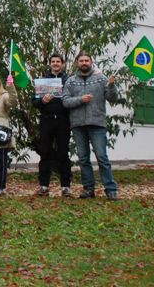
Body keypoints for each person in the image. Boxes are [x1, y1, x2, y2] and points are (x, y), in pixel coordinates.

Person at [62, 51, 120, 200]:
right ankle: (88, 189)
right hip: (78, 124)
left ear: (91, 62)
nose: (84, 63)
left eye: (86, 60)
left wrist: (112, 86)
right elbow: (65, 101)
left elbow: (112, 98)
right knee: (83, 158)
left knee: (102, 157)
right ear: (77, 63)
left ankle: (110, 189)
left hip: (97, 123)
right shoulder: (71, 81)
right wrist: (81, 99)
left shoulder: (101, 79)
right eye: (81, 60)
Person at [32, 54, 71, 197]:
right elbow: (34, 102)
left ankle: (66, 186)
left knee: (63, 153)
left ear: (63, 64)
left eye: (58, 62)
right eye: (53, 62)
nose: (55, 64)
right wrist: (42, 101)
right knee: (45, 153)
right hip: (46, 120)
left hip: (63, 120)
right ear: (50, 64)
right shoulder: (42, 81)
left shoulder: (68, 80)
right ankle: (43, 186)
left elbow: (72, 99)